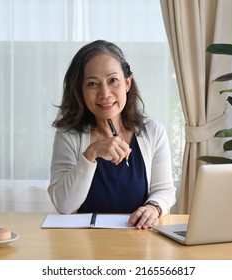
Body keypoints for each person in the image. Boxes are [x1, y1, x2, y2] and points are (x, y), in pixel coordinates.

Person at [48, 40, 176, 229]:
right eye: (92, 84)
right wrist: (90, 154)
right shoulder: (68, 135)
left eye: (113, 80)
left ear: (127, 83)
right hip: (85, 245)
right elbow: (64, 205)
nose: (104, 93)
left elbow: (165, 190)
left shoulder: (153, 131)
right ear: (80, 91)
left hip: (140, 238)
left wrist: (153, 207)